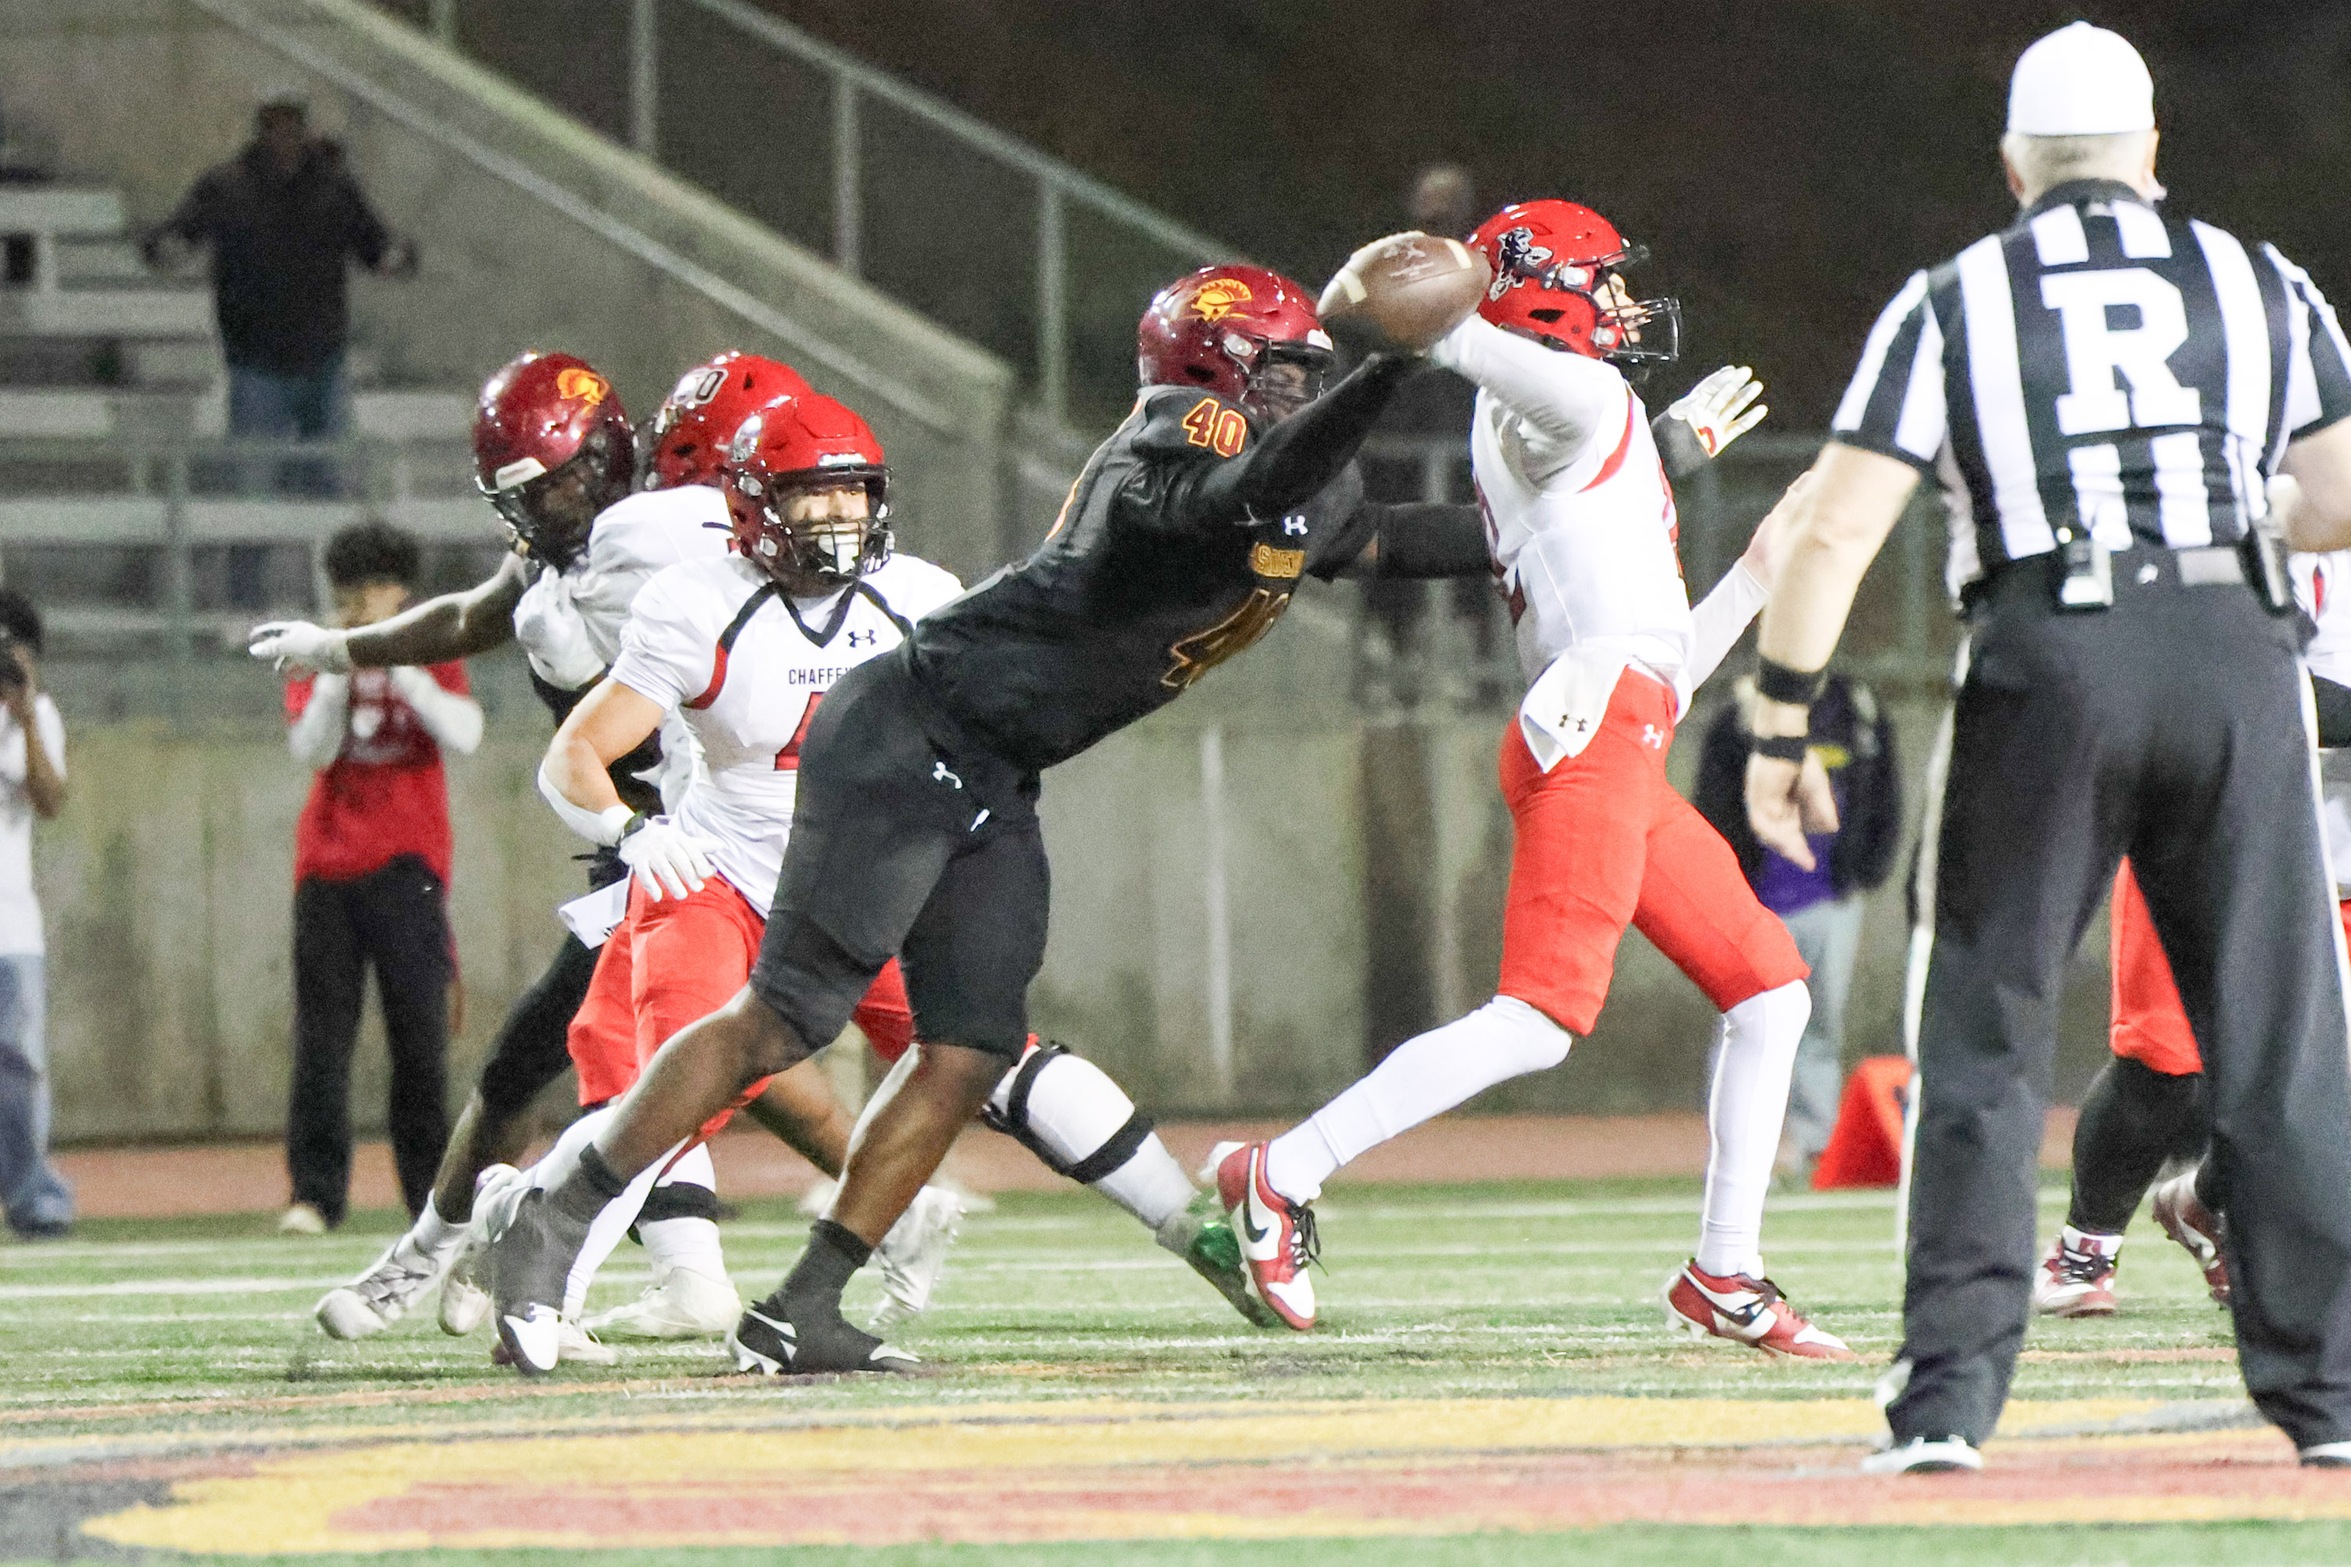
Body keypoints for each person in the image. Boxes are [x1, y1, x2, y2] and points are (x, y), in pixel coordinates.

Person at [485, 258, 1440, 1377]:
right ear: (1214, 370)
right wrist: (1386, 370)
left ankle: (802, 1306)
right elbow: (1236, 493)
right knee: (785, 1017)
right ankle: (552, 1217)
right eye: (1280, 373)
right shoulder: (1158, 452)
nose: (1300, 392)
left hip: (993, 764)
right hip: (906, 733)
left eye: (1310, 375)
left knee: (971, 1048)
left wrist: (1613, 492)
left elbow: (1399, 541)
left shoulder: (1289, 477)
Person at [1742, 22, 2351, 1472]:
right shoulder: (2257, 283)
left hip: (2045, 646)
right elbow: (2332, 499)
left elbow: (1833, 524)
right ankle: (2327, 1397)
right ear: (2150, 155)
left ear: (2011, 168)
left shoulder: (1951, 297)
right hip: (2229, 652)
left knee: (1983, 1035)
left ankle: (1945, 1399)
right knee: (2278, 1039)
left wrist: (1778, 714)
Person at [1213, 200, 1846, 1358]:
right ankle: (1279, 1168)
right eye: (1597, 282)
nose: (1621, 305)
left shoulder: (1567, 425)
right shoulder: (1580, 399)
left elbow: (1658, 663)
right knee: (1539, 1020)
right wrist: (1424, 290)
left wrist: (1756, 575)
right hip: (1596, 726)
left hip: (1620, 723)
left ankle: (1723, 1270)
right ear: (1546, 288)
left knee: (1771, 993)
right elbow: (1433, 331)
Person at [279, 350, 773, 1334]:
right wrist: (341, 649)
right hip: (647, 849)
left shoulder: (666, 528)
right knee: (638, 1061)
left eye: (563, 477)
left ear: (610, 457)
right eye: (528, 490)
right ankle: (666, 1269)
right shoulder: (561, 570)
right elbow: (474, 615)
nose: (550, 502)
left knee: (631, 1061)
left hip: (713, 843)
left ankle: (496, 1252)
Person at [2034, 533, 2351, 1318]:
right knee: (2168, 1066)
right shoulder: (2231, 510)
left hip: (2338, 841)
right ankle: (2085, 1245)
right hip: (2210, 819)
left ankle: (2206, 1201)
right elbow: (2232, 684)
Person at [280, 522, 483, 1234]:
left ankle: (429, 1195)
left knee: (419, 1040)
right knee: (322, 1041)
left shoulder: (431, 647)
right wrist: (340, 664)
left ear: (403, 589)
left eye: (380, 587)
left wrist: (397, 660)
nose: (368, 601)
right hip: (328, 867)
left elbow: (464, 731)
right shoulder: (319, 655)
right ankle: (314, 1194)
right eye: (355, 591)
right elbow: (312, 749)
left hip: (410, 865)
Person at [144, 96, 416, 511]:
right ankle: (251, 573)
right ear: (263, 133)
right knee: (254, 496)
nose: (286, 139)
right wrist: (167, 247)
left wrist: (394, 257)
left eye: (294, 130)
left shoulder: (333, 188)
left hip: (322, 356)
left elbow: (372, 243)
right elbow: (183, 231)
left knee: (332, 490)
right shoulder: (226, 187)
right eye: (277, 129)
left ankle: (334, 572)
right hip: (257, 359)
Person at [1694, 671, 1901, 1176]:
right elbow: (1712, 801)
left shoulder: (1857, 708)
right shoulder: (1741, 713)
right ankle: (1735, 1144)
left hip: (1831, 898)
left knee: (1820, 1022)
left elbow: (1885, 794)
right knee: (1744, 1022)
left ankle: (1814, 1140)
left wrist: (1868, 869)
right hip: (1757, 904)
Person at [0, 591, 71, 1240]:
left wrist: (22, 717)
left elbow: (50, 798)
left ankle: (34, 1198)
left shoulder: (37, 715)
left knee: (20, 1066)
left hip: (10, 921)